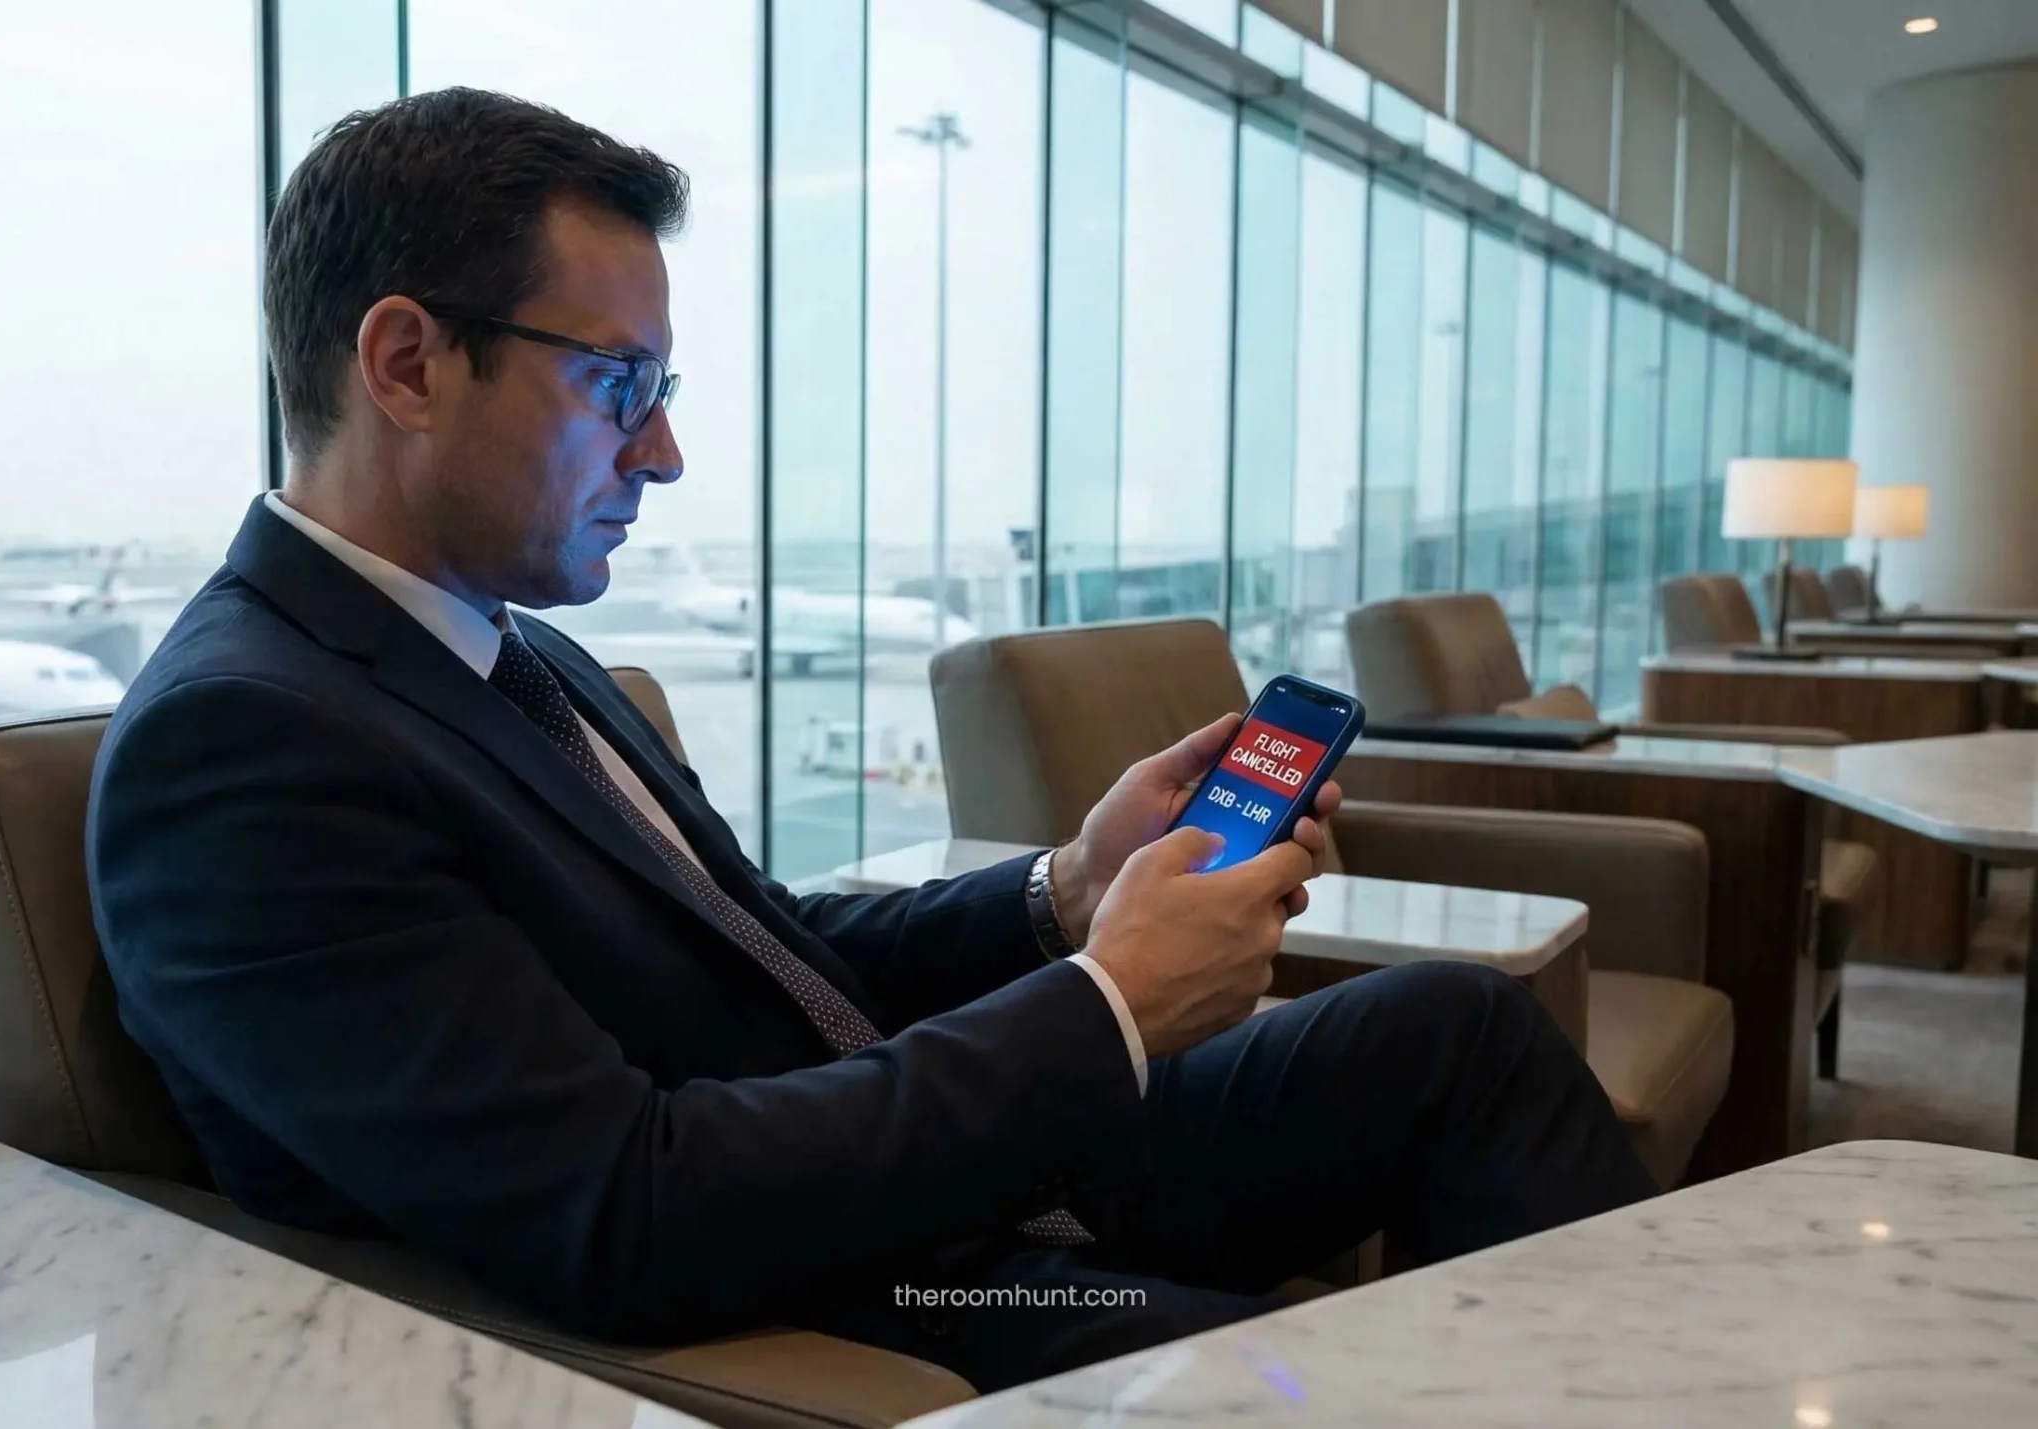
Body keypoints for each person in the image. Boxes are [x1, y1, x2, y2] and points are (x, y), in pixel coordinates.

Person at [86, 87, 1655, 1392]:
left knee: (1455, 1029)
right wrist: (1112, 1005)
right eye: (618, 384)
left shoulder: (510, 647)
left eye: (662, 387)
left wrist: (1064, 889)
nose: (665, 452)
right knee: (1324, 1389)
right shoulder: (244, 753)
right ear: (407, 364)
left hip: (923, 1163)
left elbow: (763, 952)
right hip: (861, 1278)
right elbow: (621, 1212)